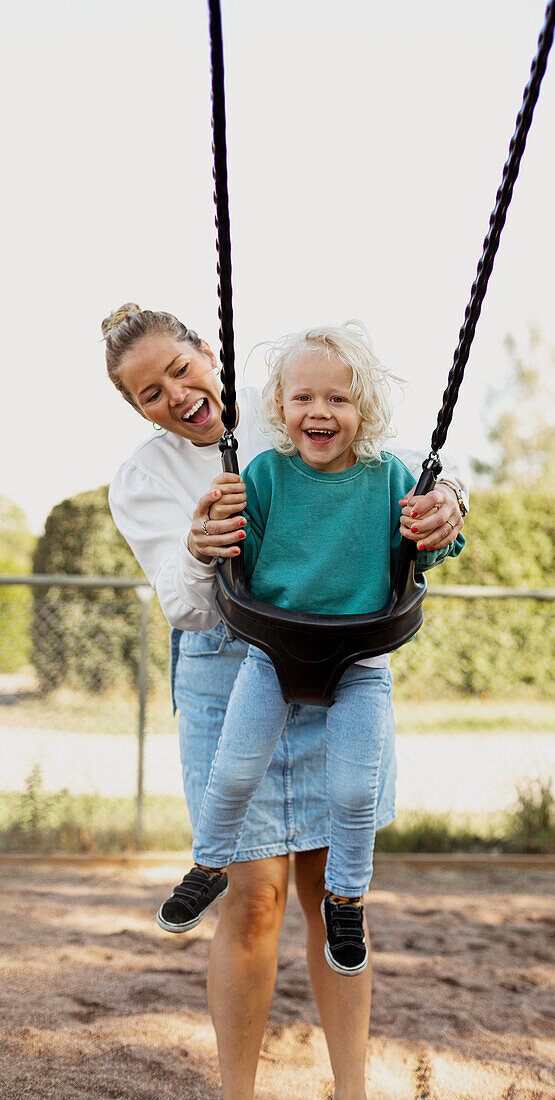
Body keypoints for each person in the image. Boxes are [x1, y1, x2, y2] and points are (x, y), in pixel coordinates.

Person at [104, 303, 468, 1100]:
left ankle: (350, 1090)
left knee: (331, 884)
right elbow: (189, 608)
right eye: (149, 394)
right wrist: (201, 552)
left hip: (341, 654)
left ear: (207, 351)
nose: (176, 394)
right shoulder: (142, 480)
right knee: (256, 893)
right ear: (137, 410)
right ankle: (237, 1092)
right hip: (229, 668)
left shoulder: (291, 408)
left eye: (179, 368)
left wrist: (452, 507)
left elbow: (403, 466)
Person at [156, 322, 465, 980]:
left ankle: (346, 898)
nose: (318, 412)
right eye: (302, 399)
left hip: (358, 662)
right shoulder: (263, 472)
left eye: (338, 399)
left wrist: (434, 525)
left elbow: (429, 549)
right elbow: (232, 557)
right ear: (279, 410)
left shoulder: (390, 478)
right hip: (271, 652)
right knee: (234, 772)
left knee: (354, 791)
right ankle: (208, 866)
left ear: (365, 411)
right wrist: (212, 527)